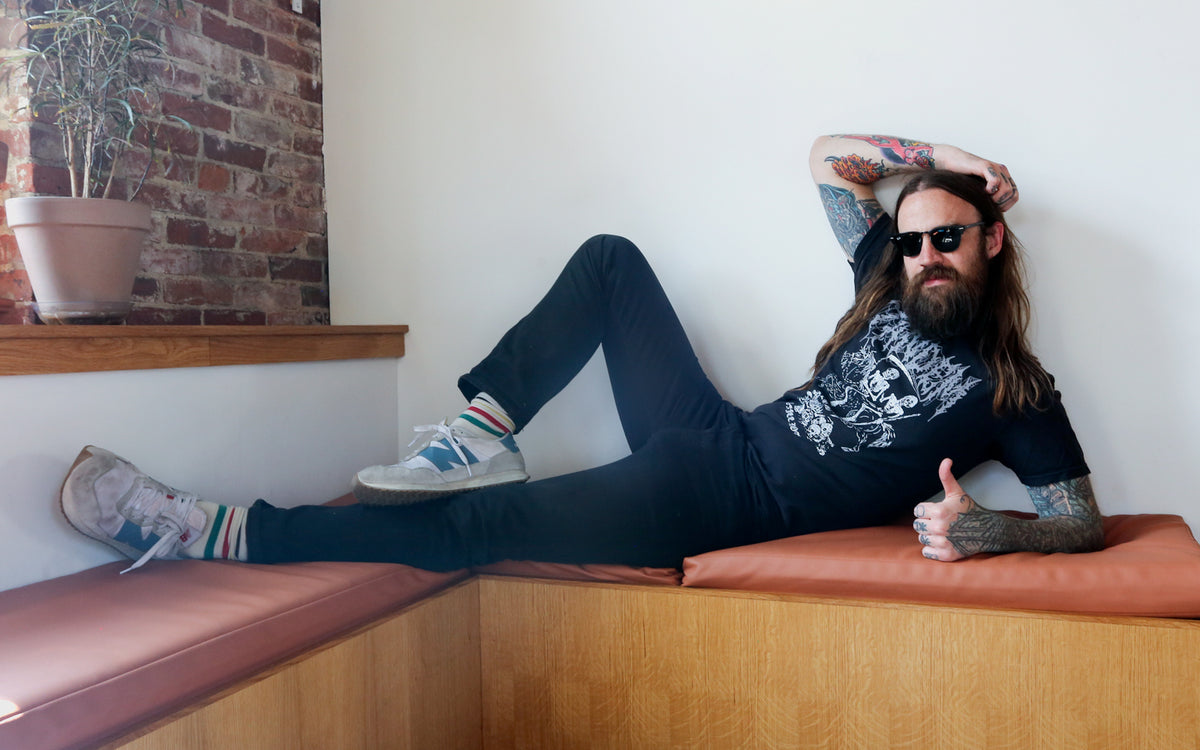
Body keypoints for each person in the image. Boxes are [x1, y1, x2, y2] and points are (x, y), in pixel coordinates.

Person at [60, 133, 1103, 575]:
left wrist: (994, 532)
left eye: (949, 236)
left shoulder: (1016, 391)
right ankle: (479, 432)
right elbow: (833, 159)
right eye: (915, 237)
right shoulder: (888, 274)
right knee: (611, 260)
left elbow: (1081, 522)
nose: (924, 254)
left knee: (485, 527)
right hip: (716, 435)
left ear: (992, 243)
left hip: (732, 507)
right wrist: (952, 164)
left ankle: (202, 528)